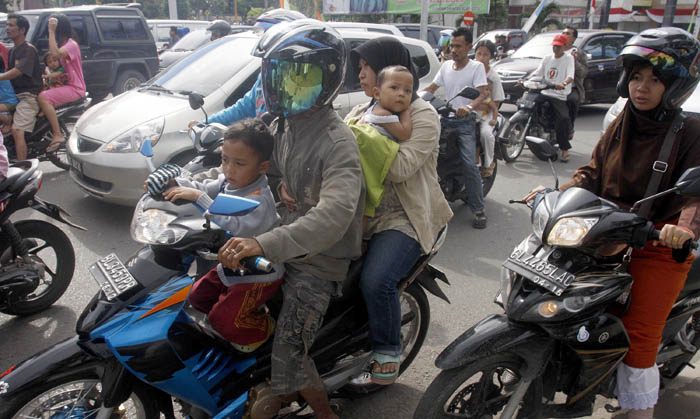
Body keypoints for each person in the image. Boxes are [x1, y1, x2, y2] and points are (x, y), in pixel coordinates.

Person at [525, 27, 700, 419]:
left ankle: (640, 412)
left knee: (639, 337)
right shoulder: (623, 119)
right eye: (636, 77)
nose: (642, 87)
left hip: (658, 243)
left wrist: (683, 229)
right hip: (603, 229)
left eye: (655, 79)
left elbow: (695, 196)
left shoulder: (691, 131)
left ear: (675, 86)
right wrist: (557, 195)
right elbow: (592, 170)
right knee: (551, 294)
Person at [218, 20, 363, 419]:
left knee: (290, 351)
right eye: (279, 75)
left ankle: (324, 413)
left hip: (319, 260)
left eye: (300, 76)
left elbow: (334, 215)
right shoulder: (284, 126)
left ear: (328, 78)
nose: (285, 86)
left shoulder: (338, 143)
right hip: (282, 238)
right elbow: (258, 164)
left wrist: (264, 243)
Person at [341, 35, 452, 385]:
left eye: (367, 68)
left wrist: (356, 144)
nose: (360, 76)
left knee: (377, 281)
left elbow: (402, 168)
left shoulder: (423, 115)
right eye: (359, 69)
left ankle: (388, 351)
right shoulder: (360, 111)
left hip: (403, 217)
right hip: (359, 215)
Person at [150, 118, 283, 353]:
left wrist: (198, 198)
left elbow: (235, 226)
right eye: (224, 159)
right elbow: (205, 188)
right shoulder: (230, 181)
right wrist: (175, 183)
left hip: (259, 274)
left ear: (263, 167)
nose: (228, 169)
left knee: (223, 320)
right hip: (230, 262)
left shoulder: (258, 198)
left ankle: (267, 329)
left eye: (239, 163)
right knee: (197, 298)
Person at [422, 26, 489, 229]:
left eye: (458, 46)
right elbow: (432, 88)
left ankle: (478, 209)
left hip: (464, 123)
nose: (454, 49)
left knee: (469, 163)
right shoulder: (446, 66)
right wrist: (413, 97)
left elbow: (483, 93)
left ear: (469, 47)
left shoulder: (476, 67)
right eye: (452, 45)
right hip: (444, 119)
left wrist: (468, 107)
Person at [37, 14, 86, 152]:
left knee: (43, 98)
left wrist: (51, 31)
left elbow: (55, 54)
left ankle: (57, 135)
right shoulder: (65, 45)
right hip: (67, 85)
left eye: (52, 30)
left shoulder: (72, 45)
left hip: (75, 88)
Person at [0, 14, 42, 161]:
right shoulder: (12, 51)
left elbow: (17, 72)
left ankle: (22, 168)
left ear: (22, 30)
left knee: (17, 131)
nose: (7, 28)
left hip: (28, 97)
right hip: (15, 96)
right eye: (7, 25)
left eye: (11, 25)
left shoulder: (28, 49)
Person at [529, 33, 574, 162]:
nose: (556, 49)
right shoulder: (547, 58)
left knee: (563, 119)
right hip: (545, 91)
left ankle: (564, 149)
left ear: (565, 46)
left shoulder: (568, 59)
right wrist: (525, 79)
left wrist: (563, 84)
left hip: (559, 94)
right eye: (554, 46)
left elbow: (570, 76)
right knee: (527, 104)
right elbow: (537, 73)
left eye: (559, 46)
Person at [473, 40, 505, 177]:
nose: (481, 57)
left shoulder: (494, 77)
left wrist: (491, 116)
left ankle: (489, 163)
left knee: (485, 134)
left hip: (486, 114)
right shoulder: (470, 70)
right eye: (478, 53)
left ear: (491, 57)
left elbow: (496, 102)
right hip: (470, 111)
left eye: (485, 55)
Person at [562, 25, 588, 139]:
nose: (564, 35)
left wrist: (575, 61)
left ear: (573, 38)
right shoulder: (555, 49)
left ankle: (569, 129)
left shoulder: (579, 53)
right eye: (563, 33)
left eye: (568, 34)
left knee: (572, 101)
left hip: (571, 87)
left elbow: (583, 73)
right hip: (552, 86)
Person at [0, 50, 17, 134]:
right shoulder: (4, 74)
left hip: (10, 102)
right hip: (6, 102)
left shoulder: (1, 76)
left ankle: (9, 123)